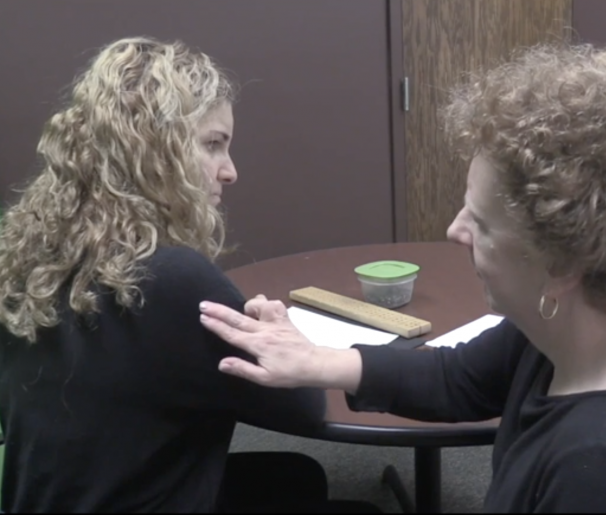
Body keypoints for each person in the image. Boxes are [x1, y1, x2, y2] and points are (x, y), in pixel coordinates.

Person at [199, 44, 606, 512]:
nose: (454, 230)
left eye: (479, 221)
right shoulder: (604, 316)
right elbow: (461, 378)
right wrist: (315, 361)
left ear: (562, 263)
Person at [0, 37, 379, 513]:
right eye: (213, 145)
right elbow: (303, 405)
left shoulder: (31, 260)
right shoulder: (169, 276)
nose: (230, 171)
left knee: (296, 476)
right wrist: (287, 339)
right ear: (153, 148)